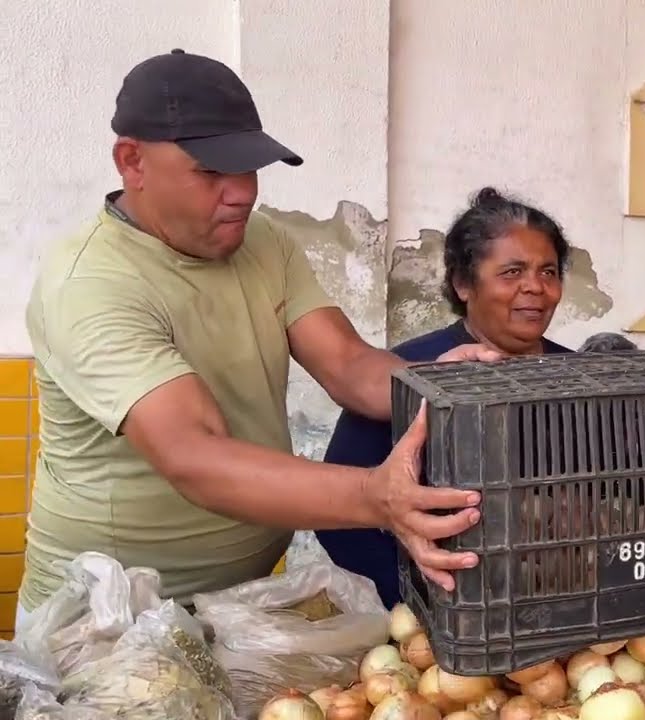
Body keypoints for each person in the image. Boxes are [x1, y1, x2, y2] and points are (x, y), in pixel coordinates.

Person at [20, 49, 498, 629]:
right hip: (108, 622)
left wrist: (436, 385)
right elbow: (196, 456)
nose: (242, 192)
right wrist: (378, 496)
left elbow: (347, 363)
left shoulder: (262, 240)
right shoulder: (91, 284)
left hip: (239, 603)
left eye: (248, 167)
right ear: (132, 162)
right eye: (211, 171)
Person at [320, 187, 574, 607]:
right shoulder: (409, 374)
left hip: (558, 610)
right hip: (438, 619)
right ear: (463, 284)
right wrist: (416, 599)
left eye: (548, 272)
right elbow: (337, 520)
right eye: (512, 272)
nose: (535, 287)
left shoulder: (578, 376)